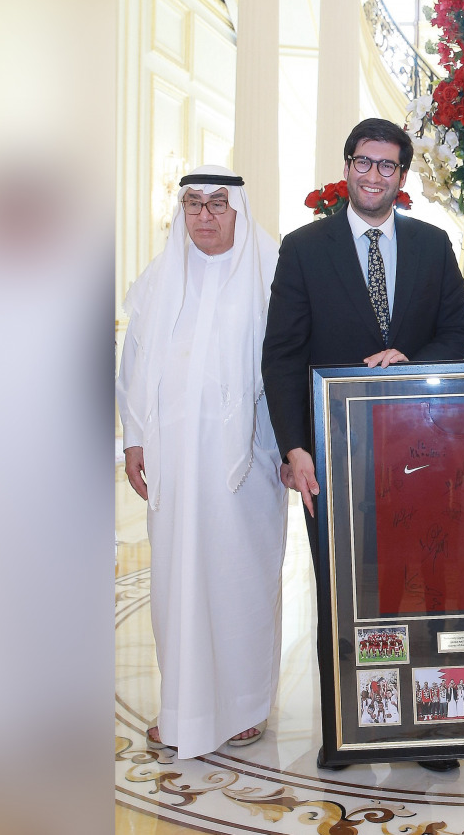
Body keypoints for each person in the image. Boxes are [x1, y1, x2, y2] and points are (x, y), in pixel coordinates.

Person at [262, 118, 464, 771]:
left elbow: (457, 335)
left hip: (422, 455)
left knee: (428, 591)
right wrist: (295, 448)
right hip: (334, 457)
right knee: (344, 594)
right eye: (364, 161)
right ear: (346, 166)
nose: (374, 175)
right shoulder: (303, 248)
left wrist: (409, 356)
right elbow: (282, 355)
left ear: (403, 177)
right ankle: (349, 729)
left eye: (388, 166)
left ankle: (432, 726)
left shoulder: (435, 246)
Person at [117, 165, 290, 759]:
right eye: (194, 204)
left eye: (218, 203)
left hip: (247, 467)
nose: (205, 216)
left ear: (238, 209)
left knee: (239, 580)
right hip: (173, 464)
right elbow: (132, 369)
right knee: (175, 586)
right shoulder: (160, 277)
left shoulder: (270, 272)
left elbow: (286, 370)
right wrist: (133, 439)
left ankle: (244, 706)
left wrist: (292, 449)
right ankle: (184, 707)